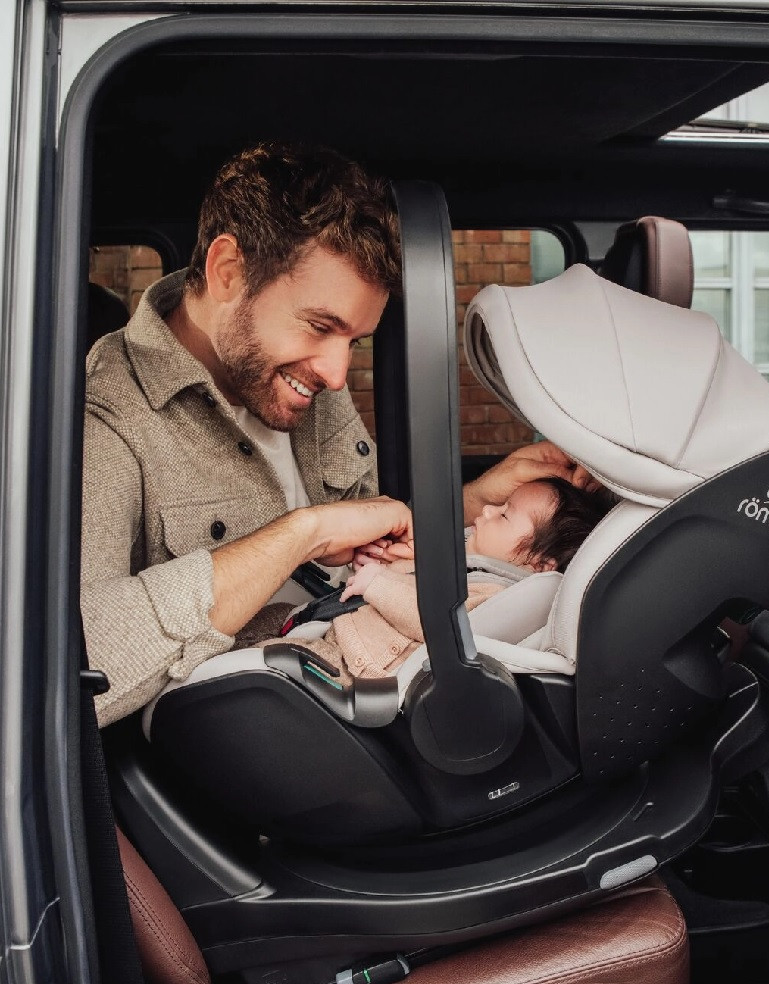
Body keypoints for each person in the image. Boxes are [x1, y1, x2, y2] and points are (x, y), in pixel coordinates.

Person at [81, 141, 588, 727]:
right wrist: (305, 534)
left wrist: (476, 501)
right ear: (228, 272)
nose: (337, 374)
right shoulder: (109, 418)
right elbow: (81, 660)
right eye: (321, 326)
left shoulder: (305, 376)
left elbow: (368, 539)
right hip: (256, 734)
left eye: (353, 341)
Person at [260, 478, 612, 681]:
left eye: (505, 515)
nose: (488, 510)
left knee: (255, 662)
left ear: (538, 563)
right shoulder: (472, 568)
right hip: (342, 632)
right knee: (268, 615)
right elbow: (412, 587)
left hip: (350, 663)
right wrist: (384, 565)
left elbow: (438, 621)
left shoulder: (495, 591)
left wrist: (378, 582)